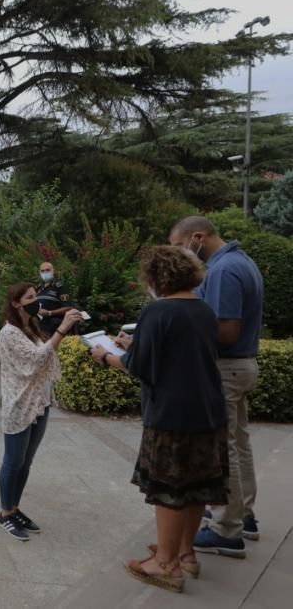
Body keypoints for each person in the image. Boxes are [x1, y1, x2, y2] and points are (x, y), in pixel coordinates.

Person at [91, 246, 227, 592]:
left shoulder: (158, 311)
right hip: (208, 410)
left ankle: (164, 563)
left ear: (156, 277)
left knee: (169, 488)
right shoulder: (204, 310)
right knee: (197, 485)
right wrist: (137, 342)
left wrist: (106, 355)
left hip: (171, 414)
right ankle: (185, 552)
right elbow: (181, 351)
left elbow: (140, 367)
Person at [169, 216, 265, 557]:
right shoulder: (242, 261)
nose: (180, 255)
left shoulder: (223, 271)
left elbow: (226, 331)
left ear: (198, 237)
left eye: (181, 247)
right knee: (239, 442)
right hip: (241, 366)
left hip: (226, 367)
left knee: (223, 449)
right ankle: (244, 515)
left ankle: (227, 529)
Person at [0, 282, 82, 542]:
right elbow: (35, 361)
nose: (37, 301)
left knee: (26, 461)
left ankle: (15, 508)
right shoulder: (9, 332)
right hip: (20, 405)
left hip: (40, 402)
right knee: (13, 461)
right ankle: (5, 513)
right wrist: (62, 328)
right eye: (31, 297)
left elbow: (44, 355)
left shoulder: (29, 326)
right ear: (16, 303)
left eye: (36, 296)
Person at [36, 262, 75, 337]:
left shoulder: (60, 287)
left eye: (48, 270)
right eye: (42, 271)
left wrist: (49, 313)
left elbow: (68, 308)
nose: (45, 272)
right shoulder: (39, 288)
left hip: (56, 328)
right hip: (41, 328)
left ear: (53, 271)